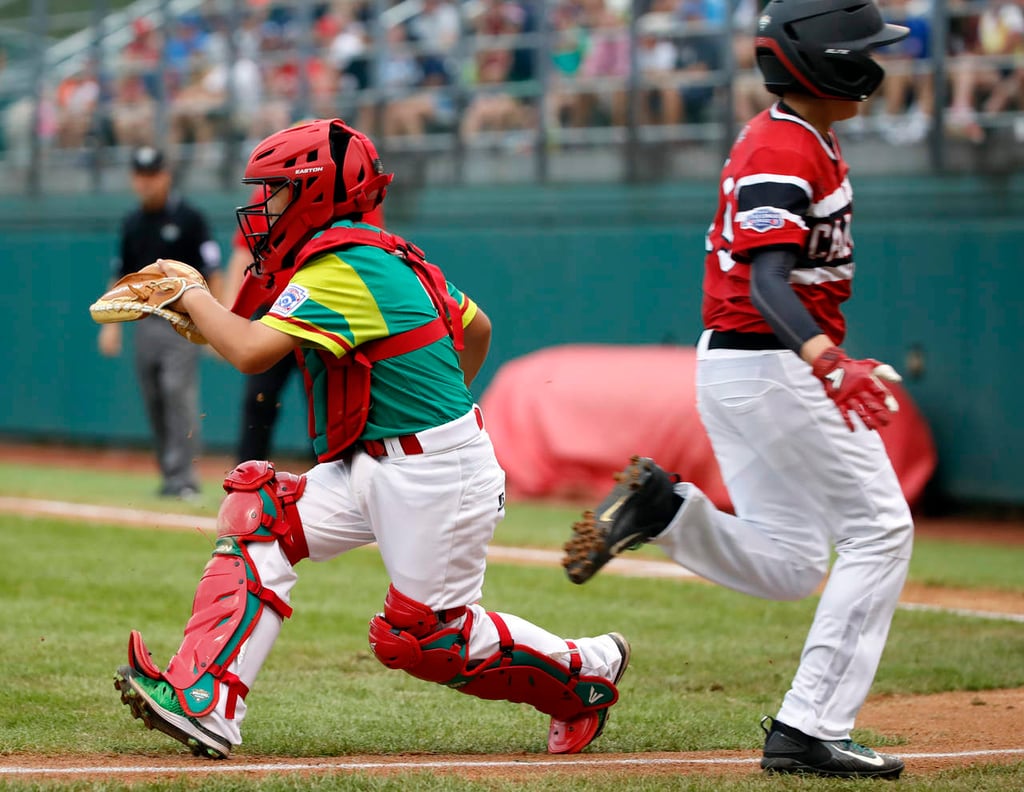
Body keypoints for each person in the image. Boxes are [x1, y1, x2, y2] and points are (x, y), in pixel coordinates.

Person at [113, 119, 629, 759]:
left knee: (421, 640)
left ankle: (584, 671)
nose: (260, 206)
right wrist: (442, 406)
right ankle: (206, 703)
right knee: (260, 515)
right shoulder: (375, 255)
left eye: (273, 191)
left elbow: (248, 351)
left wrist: (192, 291)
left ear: (314, 192)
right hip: (386, 459)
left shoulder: (342, 266)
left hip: (433, 472)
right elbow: (478, 329)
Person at [563, 0, 914, 780]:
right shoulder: (783, 148)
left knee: (791, 564)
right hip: (772, 364)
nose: (876, 62)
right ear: (826, 63)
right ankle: (810, 726)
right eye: (861, 48)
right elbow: (766, 281)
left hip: (747, 367)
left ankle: (668, 510)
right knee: (881, 531)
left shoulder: (801, 138)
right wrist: (829, 361)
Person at [98, 146, 223, 499]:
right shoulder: (133, 222)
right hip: (146, 322)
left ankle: (184, 478)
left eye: (152, 175)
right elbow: (121, 278)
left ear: (165, 176)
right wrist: (110, 326)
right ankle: (171, 475)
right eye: (140, 175)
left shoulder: (190, 218)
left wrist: (218, 324)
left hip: (184, 323)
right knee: (154, 397)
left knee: (176, 394)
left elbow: (213, 272)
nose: (146, 183)